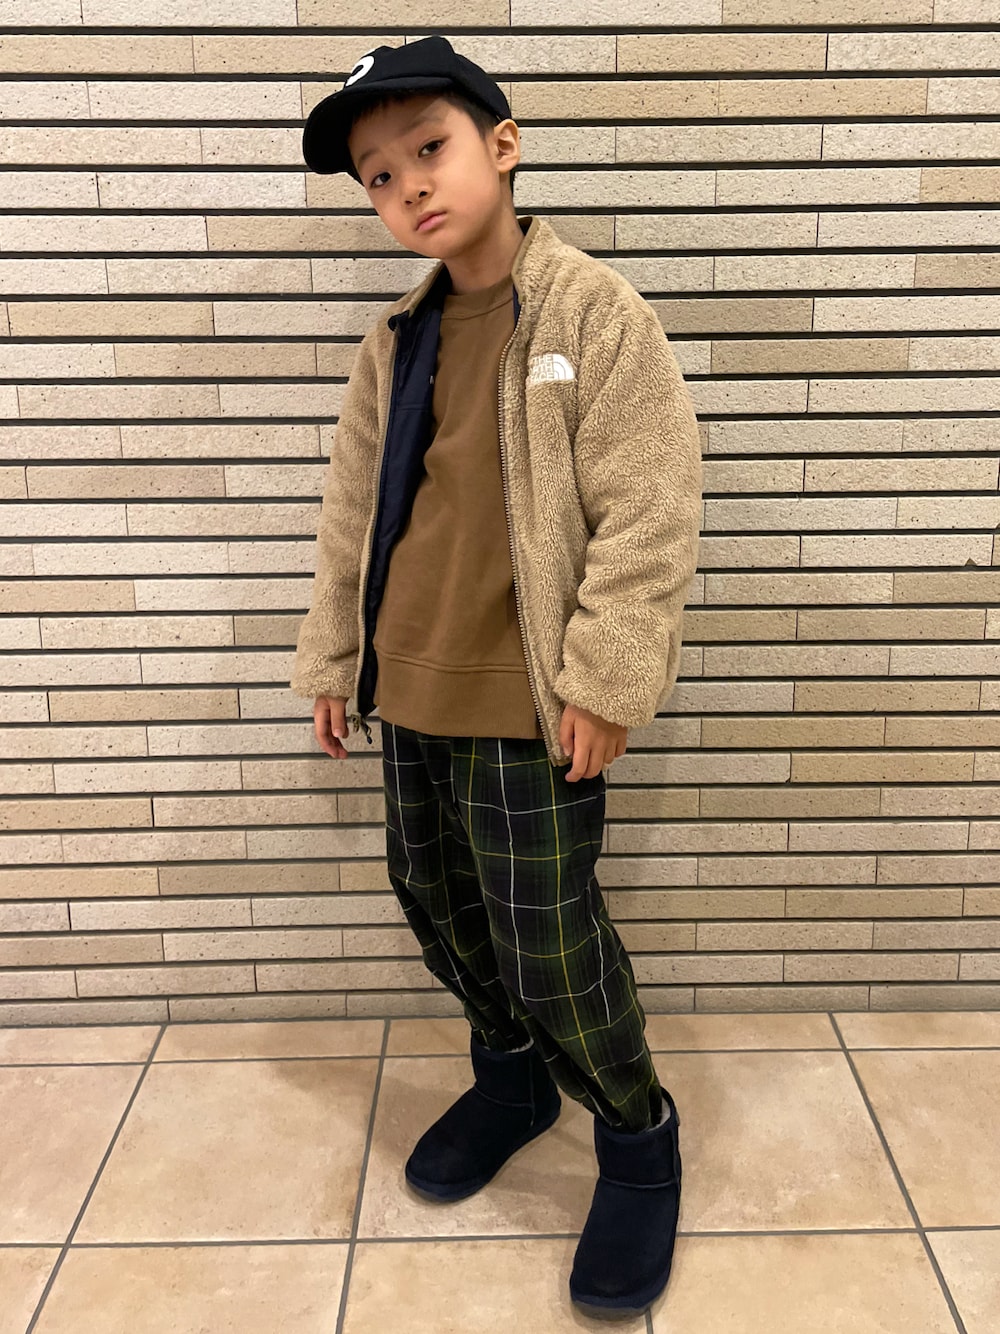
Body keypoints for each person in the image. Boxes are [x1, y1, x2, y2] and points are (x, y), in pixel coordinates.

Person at [289, 34, 703, 1320]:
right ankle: (513, 1077)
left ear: (502, 145)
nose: (407, 184)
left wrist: (608, 680)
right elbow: (353, 513)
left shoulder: (591, 312)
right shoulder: (394, 340)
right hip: (408, 685)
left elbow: (647, 507)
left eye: (429, 147)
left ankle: (635, 1132)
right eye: (377, 173)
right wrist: (335, 655)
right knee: (433, 894)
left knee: (549, 933)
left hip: (529, 698)